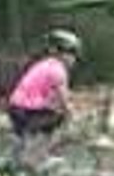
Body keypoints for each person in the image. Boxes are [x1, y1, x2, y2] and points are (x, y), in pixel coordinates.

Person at [6, 29, 82, 164]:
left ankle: (19, 160)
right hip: (25, 109)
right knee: (59, 117)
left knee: (24, 139)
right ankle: (44, 156)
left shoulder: (45, 64)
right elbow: (63, 99)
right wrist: (72, 115)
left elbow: (48, 95)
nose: (74, 59)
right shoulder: (58, 70)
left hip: (16, 106)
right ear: (62, 54)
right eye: (72, 54)